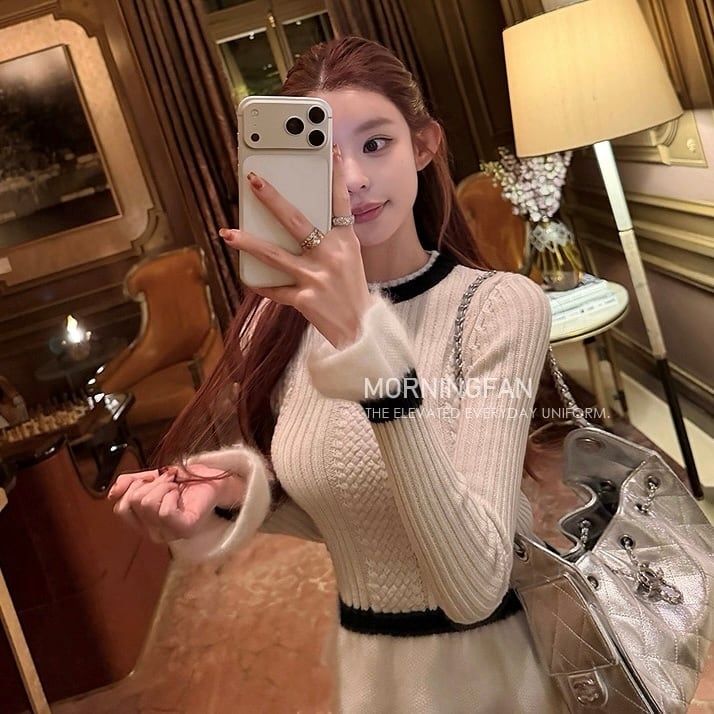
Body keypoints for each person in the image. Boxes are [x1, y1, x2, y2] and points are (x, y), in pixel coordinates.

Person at [109, 36, 564, 714]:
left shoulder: (495, 309)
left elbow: (474, 587)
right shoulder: (278, 325)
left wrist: (366, 349)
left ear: (425, 145)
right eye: (322, 158)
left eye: (375, 144)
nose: (351, 180)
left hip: (491, 677)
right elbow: (355, 514)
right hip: (368, 677)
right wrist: (231, 496)